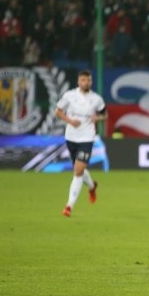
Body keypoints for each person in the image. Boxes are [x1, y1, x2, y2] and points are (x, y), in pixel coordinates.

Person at [54, 70, 106, 217]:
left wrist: (98, 118)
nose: (86, 83)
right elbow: (57, 112)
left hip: (87, 138)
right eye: (83, 80)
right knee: (80, 170)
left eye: (88, 80)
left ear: (91, 82)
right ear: (78, 82)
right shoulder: (69, 95)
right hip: (71, 137)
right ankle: (92, 185)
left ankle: (68, 206)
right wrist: (70, 121)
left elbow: (104, 114)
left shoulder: (96, 99)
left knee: (77, 171)